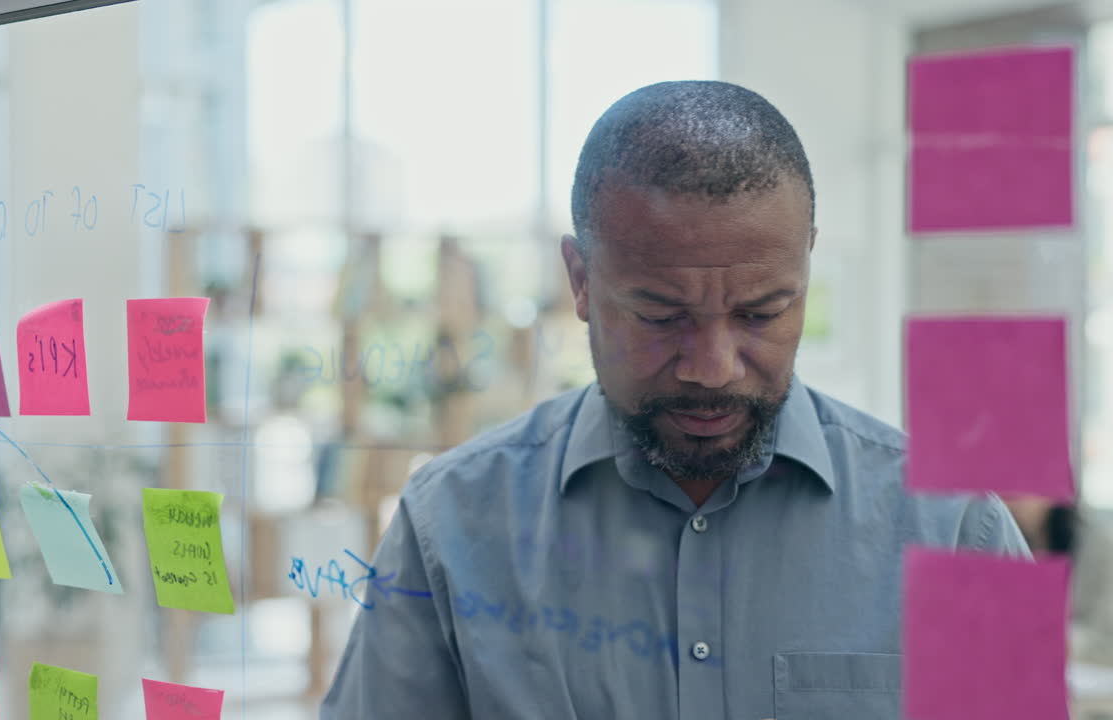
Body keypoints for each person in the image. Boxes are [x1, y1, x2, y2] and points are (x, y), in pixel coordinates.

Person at [320, 80, 1029, 719]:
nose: (714, 369)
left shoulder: (955, 533)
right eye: (662, 317)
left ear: (805, 267)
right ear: (580, 280)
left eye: (762, 313)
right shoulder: (452, 526)